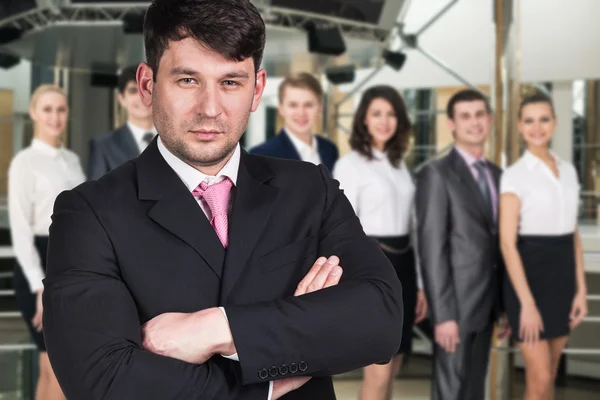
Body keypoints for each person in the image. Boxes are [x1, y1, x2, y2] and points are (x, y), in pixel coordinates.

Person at [42, 1, 404, 399]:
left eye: (230, 82)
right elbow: (102, 378)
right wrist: (272, 373)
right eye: (188, 80)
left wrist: (217, 328)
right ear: (147, 85)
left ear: (257, 89)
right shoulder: (89, 214)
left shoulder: (309, 190)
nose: (210, 109)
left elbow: (381, 319)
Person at [333, 85, 427, 400]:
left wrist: (422, 284)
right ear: (364, 119)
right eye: (376, 113)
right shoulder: (351, 164)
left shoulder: (400, 166)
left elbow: (412, 229)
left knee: (394, 368)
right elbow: (341, 229)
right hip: (372, 270)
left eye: (390, 114)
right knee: (378, 370)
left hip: (404, 268)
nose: (384, 121)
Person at [415, 89, 509, 400]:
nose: (474, 122)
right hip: (455, 304)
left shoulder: (498, 175)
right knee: (451, 390)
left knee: (473, 389)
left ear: (490, 119)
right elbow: (432, 249)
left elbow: (500, 246)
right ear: (452, 123)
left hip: (489, 303)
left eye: (480, 114)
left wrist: (505, 305)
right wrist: (443, 316)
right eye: (465, 116)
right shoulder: (436, 175)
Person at [499, 94, 587, 399]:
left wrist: (581, 289)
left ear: (555, 122)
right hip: (529, 282)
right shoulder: (515, 176)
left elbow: (572, 232)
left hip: (562, 281)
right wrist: (528, 305)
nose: (537, 127)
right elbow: (508, 245)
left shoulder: (570, 171)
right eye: (529, 120)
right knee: (538, 376)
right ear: (520, 127)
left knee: (549, 375)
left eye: (544, 119)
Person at [8, 84, 85, 400]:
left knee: (52, 368)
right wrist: (41, 286)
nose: (55, 117)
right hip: (41, 265)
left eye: (61, 110)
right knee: (56, 368)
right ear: (34, 113)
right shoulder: (24, 162)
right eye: (48, 109)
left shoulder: (71, 160)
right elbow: (20, 229)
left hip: (70, 263)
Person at [250, 72, 338, 172]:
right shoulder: (261, 157)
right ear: (281, 109)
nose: (301, 113)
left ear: (320, 108)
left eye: (308, 105)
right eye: (293, 105)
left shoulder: (329, 150)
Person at [87, 64, 155, 180]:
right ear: (121, 99)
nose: (142, 97)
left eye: (147, 89)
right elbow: (96, 196)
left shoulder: (174, 141)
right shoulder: (103, 146)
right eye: (133, 91)